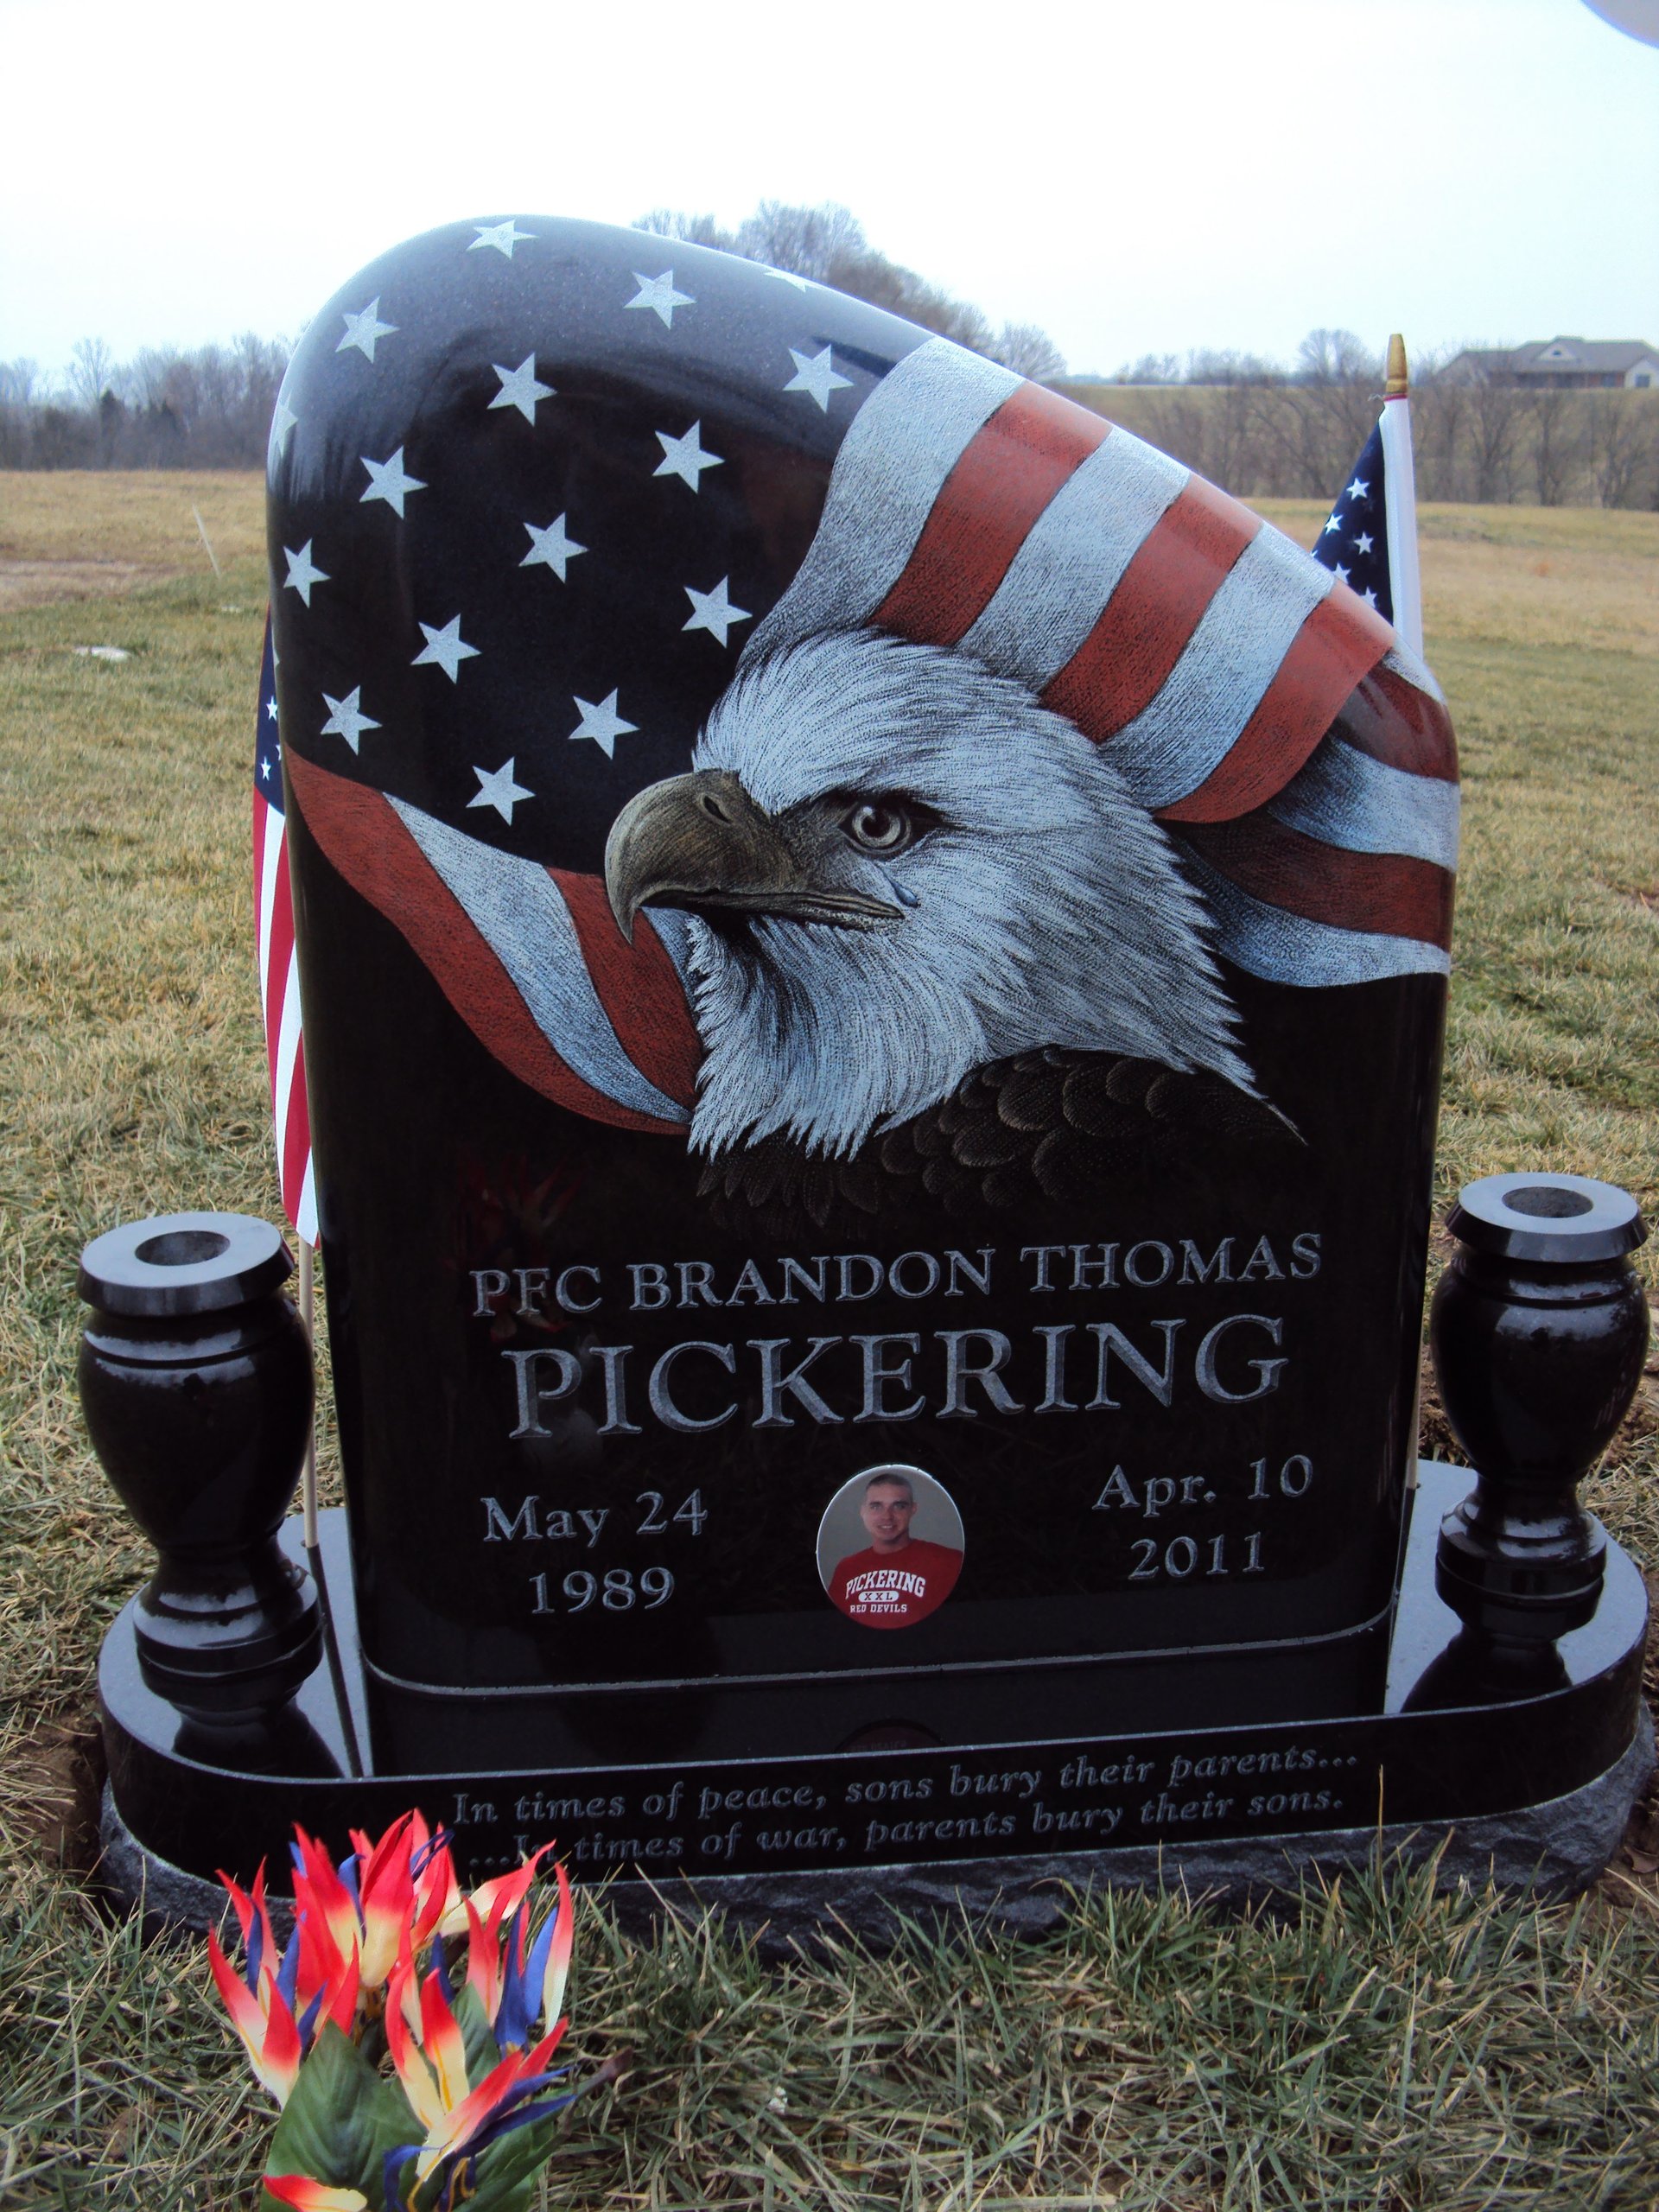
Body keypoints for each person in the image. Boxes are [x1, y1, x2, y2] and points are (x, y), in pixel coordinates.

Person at [828, 1471, 962, 1629]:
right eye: (876, 1506)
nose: (887, 1516)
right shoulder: (846, 1568)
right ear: (863, 1511)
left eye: (898, 1506)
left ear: (913, 1509)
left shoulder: (949, 1561)